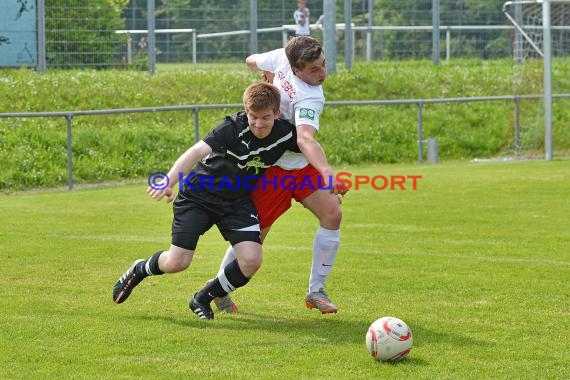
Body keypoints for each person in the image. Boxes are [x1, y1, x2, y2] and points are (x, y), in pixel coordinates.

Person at [112, 83, 301, 320]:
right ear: (246, 110)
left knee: (252, 260)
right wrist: (169, 181)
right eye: (253, 117)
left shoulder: (286, 133)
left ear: (276, 114)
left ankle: (202, 297)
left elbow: (309, 147)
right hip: (199, 197)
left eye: (265, 118)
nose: (258, 124)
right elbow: (195, 152)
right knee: (177, 262)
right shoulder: (232, 127)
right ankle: (140, 268)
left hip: (236, 202)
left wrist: (328, 180)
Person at [212, 36, 345, 315]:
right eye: (314, 70)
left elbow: (251, 60)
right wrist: (328, 172)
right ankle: (218, 290)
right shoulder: (310, 96)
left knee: (332, 214)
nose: (322, 73)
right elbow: (306, 138)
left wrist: (270, 76)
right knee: (253, 237)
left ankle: (316, 290)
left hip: (301, 166)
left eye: (323, 65)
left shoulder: (281, 59)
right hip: (273, 167)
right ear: (295, 68)